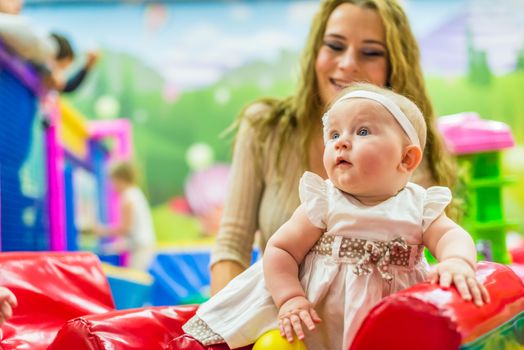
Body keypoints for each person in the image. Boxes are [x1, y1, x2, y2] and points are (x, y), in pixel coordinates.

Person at [180, 83, 489, 350]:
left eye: (363, 131)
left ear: (407, 158)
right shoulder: (325, 201)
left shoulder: (418, 204)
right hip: (322, 322)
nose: (341, 141)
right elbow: (281, 249)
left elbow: (451, 235)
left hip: (393, 321)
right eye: (334, 133)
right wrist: (290, 298)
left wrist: (456, 261)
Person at [210, 0, 457, 295]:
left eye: (370, 53)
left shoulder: (409, 147)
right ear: (316, 50)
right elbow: (232, 246)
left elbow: (442, 241)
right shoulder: (265, 128)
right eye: (335, 46)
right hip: (288, 326)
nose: (348, 63)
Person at [92, 161, 156, 271]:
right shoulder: (135, 193)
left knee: (135, 278)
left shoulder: (128, 197)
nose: (112, 185)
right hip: (143, 246)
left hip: (141, 248)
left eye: (113, 181)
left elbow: (125, 228)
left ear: (120, 180)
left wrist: (101, 230)